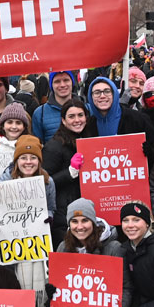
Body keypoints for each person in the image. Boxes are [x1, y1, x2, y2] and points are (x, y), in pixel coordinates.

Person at [0, 135, 55, 307]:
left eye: (33, 158)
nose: (28, 162)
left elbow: (51, 207)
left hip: (36, 243)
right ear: (16, 160)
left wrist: (48, 217)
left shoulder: (48, 181)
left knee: (40, 284)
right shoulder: (2, 182)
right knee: (14, 282)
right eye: (23, 157)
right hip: (10, 242)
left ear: (39, 161)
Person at [42, 98, 90, 245]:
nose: (77, 120)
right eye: (71, 116)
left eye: (80, 115)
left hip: (87, 210)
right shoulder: (54, 146)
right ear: (63, 120)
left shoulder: (90, 140)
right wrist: (70, 172)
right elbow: (45, 182)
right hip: (63, 215)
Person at [57, 198, 123, 257]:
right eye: (75, 221)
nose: (80, 227)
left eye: (85, 221)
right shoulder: (63, 247)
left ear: (93, 223)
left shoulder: (113, 248)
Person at [31, 71, 76, 143]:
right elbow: (38, 145)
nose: (62, 85)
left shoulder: (87, 108)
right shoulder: (40, 113)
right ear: (51, 85)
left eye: (66, 80)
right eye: (57, 81)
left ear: (72, 82)